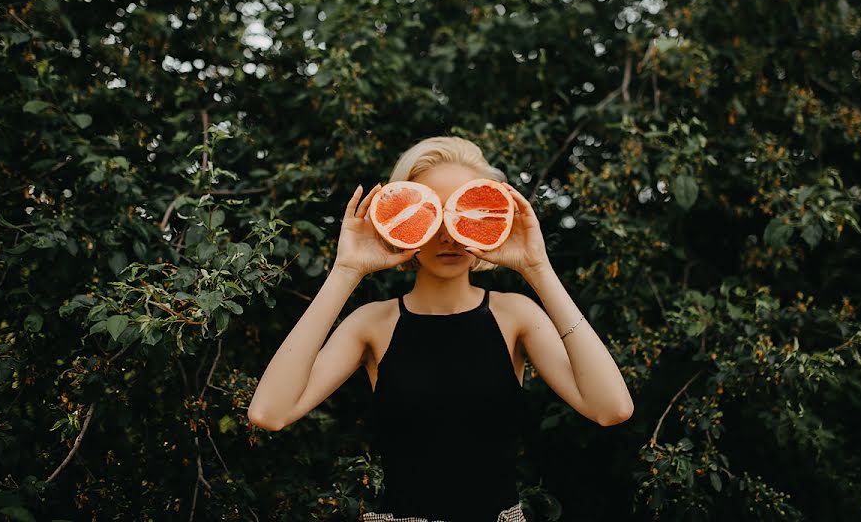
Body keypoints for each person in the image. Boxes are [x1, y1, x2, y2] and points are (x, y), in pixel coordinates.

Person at [248, 136, 634, 522]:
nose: (448, 235)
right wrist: (345, 272)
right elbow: (269, 412)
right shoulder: (371, 324)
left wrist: (538, 269)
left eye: (461, 213)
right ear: (403, 215)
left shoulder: (516, 316)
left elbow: (611, 408)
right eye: (432, 213)